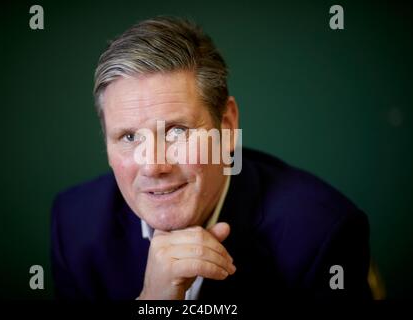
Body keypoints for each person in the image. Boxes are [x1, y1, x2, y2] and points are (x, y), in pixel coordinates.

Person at [51, 16, 372, 300]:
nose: (153, 165)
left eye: (176, 131)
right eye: (129, 137)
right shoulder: (75, 227)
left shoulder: (320, 234)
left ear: (228, 125)